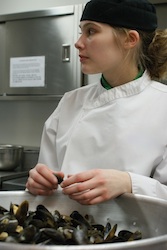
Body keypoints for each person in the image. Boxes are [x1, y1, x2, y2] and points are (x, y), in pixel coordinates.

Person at [26, 0, 167, 205]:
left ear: (130, 39)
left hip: (140, 235)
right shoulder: (70, 102)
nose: (78, 42)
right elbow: (46, 186)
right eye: (81, 31)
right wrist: (38, 182)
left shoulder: (162, 105)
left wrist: (128, 182)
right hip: (63, 232)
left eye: (91, 31)